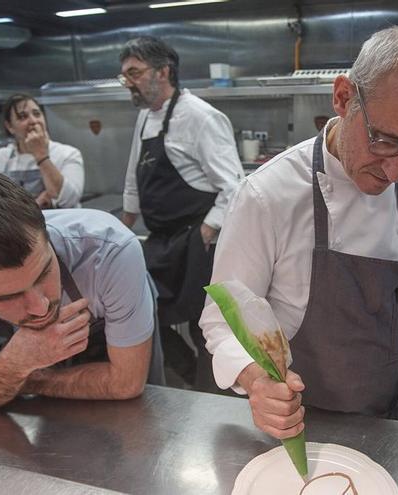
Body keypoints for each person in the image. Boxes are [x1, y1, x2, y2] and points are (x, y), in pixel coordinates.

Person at [200, 26, 398, 483]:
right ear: (343, 98)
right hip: (286, 428)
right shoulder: (268, 195)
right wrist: (257, 383)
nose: (397, 170)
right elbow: (221, 316)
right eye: (386, 141)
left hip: (382, 417)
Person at [0, 169, 163, 411]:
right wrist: (16, 363)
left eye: (44, 272)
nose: (40, 307)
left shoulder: (110, 251)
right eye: (7, 297)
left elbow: (127, 384)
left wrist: (23, 377)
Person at [118, 36, 243, 388]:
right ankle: (189, 374)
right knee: (144, 311)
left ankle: (212, 398)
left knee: (204, 325)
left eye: (135, 73)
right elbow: (132, 179)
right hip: (161, 241)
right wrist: (121, 231)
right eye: (124, 75)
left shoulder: (201, 117)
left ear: (164, 71)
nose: (128, 81)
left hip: (197, 241)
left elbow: (235, 186)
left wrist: (206, 230)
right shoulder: (145, 118)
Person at [0, 94, 84, 209]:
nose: (33, 121)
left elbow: (69, 201)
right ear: (9, 127)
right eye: (22, 117)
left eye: (37, 114)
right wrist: (36, 204)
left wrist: (41, 155)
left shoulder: (67, 154)